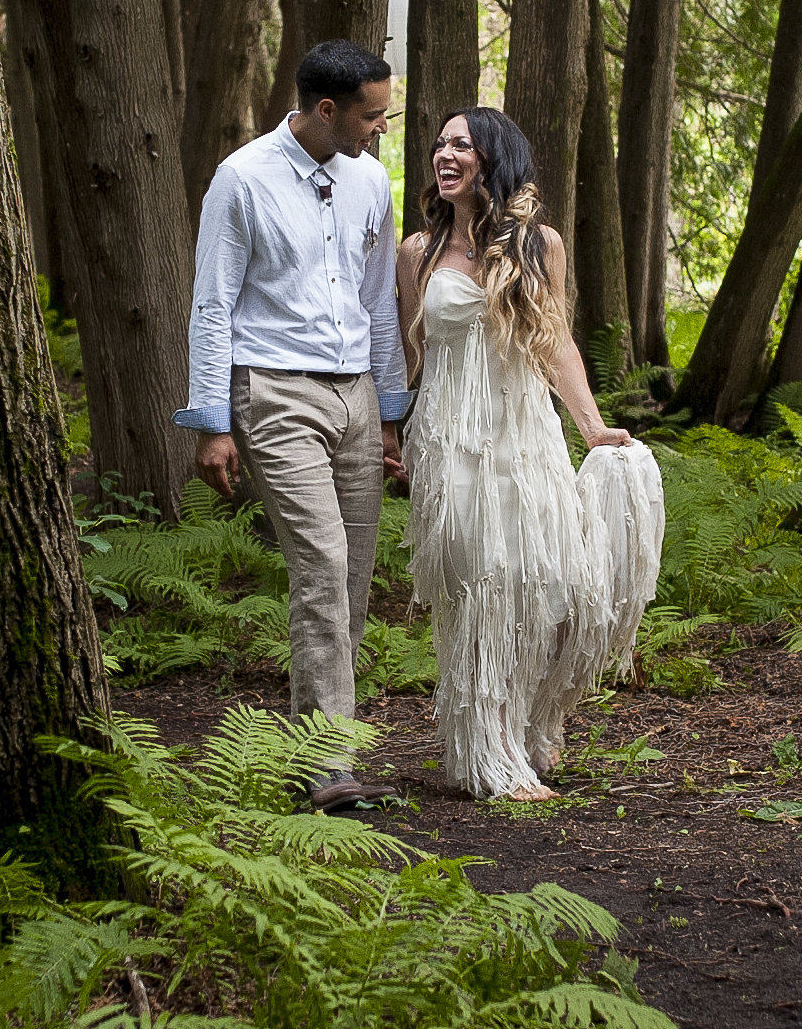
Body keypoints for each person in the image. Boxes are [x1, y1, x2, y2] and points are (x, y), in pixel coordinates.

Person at [397, 106, 663, 801]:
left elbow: (556, 344)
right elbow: (409, 355)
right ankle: (484, 755)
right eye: (439, 143)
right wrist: (391, 436)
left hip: (525, 434)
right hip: (452, 442)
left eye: (461, 144)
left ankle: (527, 725)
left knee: (547, 589)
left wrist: (593, 430)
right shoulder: (415, 253)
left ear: (493, 157)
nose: (443, 154)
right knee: (481, 587)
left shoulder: (538, 245)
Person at [177, 39, 408, 812]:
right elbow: (212, 302)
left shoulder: (370, 180)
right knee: (319, 567)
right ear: (326, 110)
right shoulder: (242, 179)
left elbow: (379, 303)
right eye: (374, 115)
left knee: (352, 575)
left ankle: (314, 740)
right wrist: (212, 421)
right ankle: (326, 763)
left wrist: (390, 414)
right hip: (273, 392)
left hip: (355, 400)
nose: (383, 127)